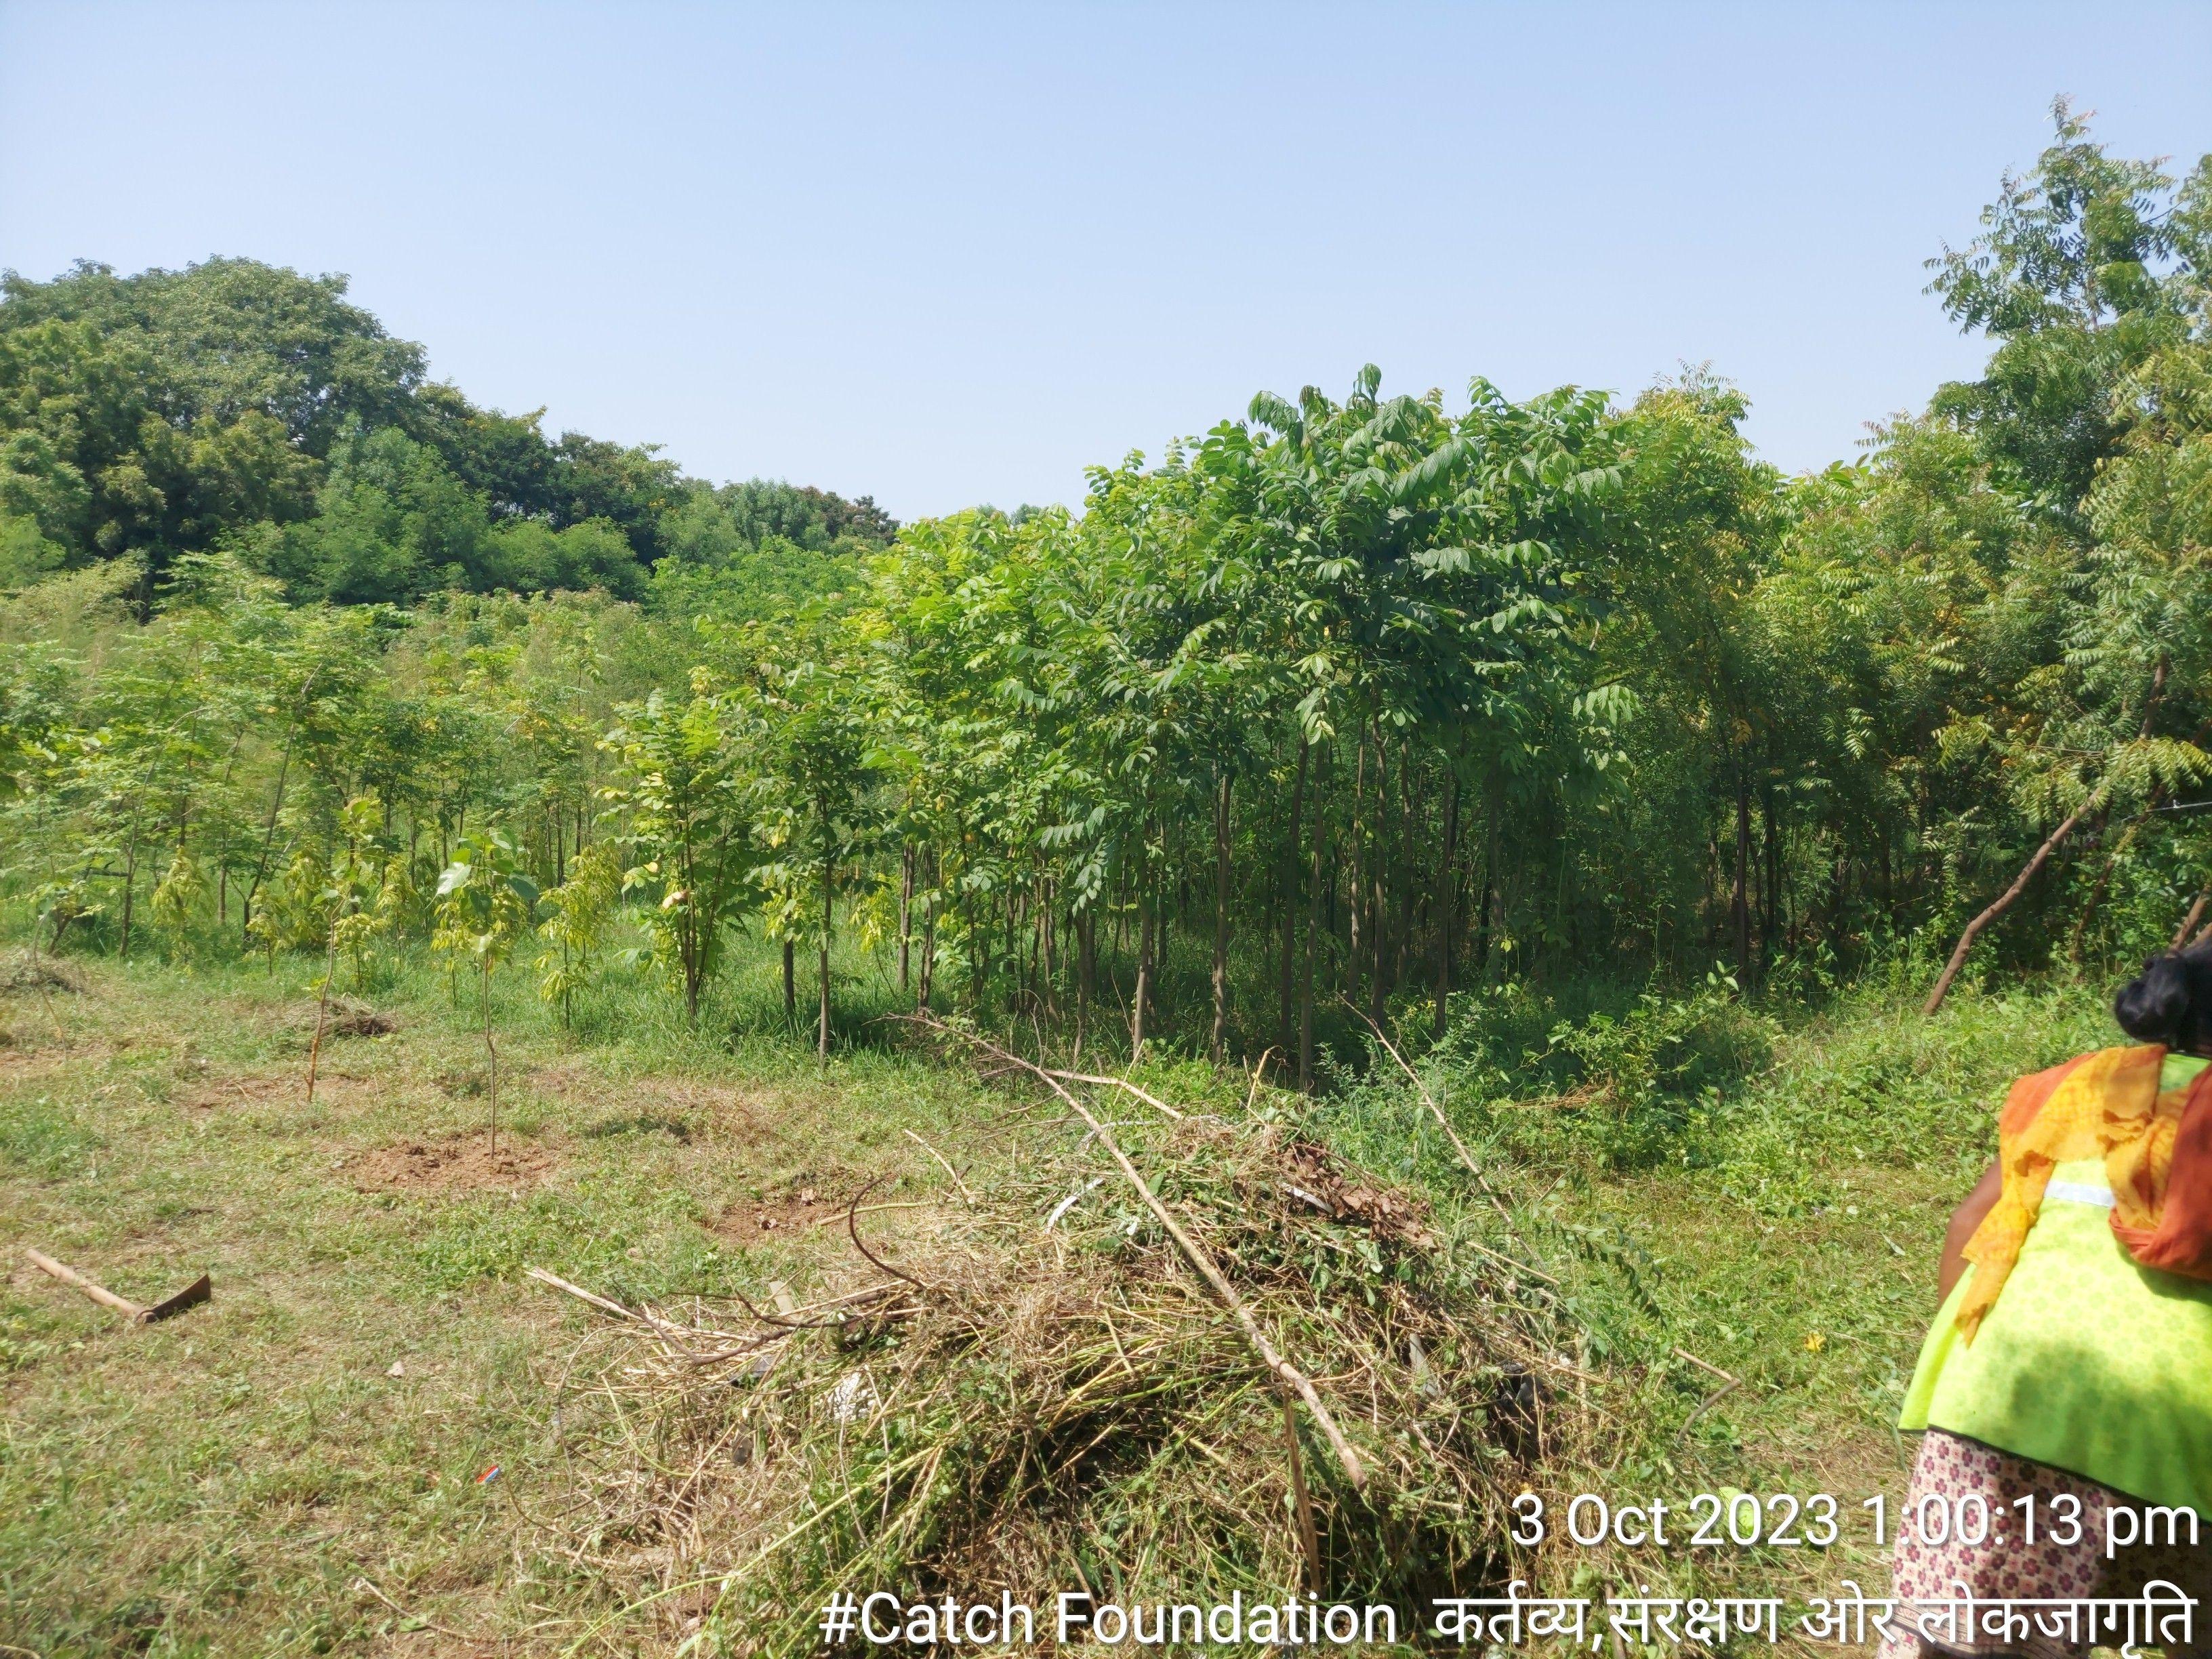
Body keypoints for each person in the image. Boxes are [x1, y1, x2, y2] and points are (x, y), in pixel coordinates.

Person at [1883, 946, 2212, 1659]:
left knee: (1962, 1641)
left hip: (2001, 1403)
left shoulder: (2081, 1085)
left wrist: (1968, 1372)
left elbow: (1972, 1223)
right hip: (2176, 1441)